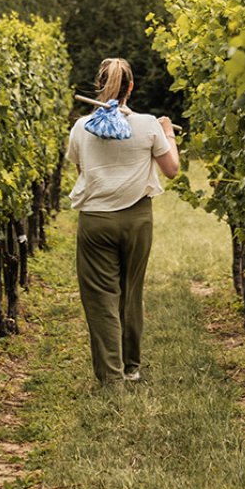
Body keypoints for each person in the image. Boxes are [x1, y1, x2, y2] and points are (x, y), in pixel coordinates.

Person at [66, 56, 179, 385]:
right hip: (137, 220)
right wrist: (168, 132)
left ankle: (112, 378)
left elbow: (81, 170)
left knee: (101, 296)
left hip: (96, 221)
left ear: (99, 85)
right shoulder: (147, 125)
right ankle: (132, 367)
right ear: (131, 86)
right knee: (131, 291)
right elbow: (171, 169)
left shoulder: (81, 128)